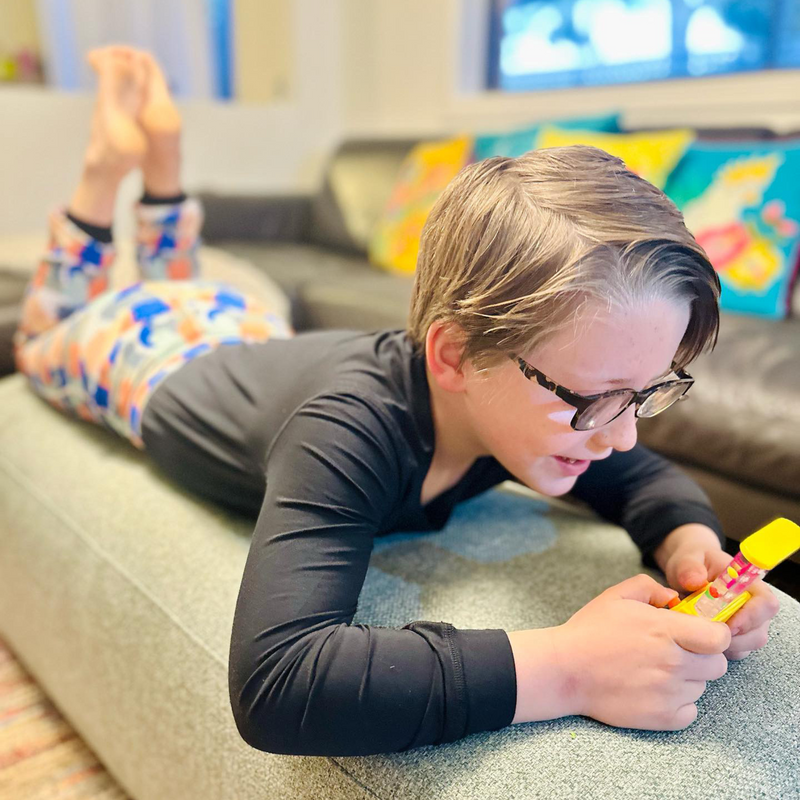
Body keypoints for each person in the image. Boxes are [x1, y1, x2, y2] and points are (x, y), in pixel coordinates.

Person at [15, 46, 780, 759]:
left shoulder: (525, 411)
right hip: (147, 358)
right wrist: (568, 666)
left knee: (179, 284)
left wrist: (688, 544)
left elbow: (647, 480)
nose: (617, 438)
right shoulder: (347, 432)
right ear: (455, 356)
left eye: (647, 395)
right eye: (593, 402)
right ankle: (108, 170)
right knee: (48, 334)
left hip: (243, 329)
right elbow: (280, 682)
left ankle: (162, 168)